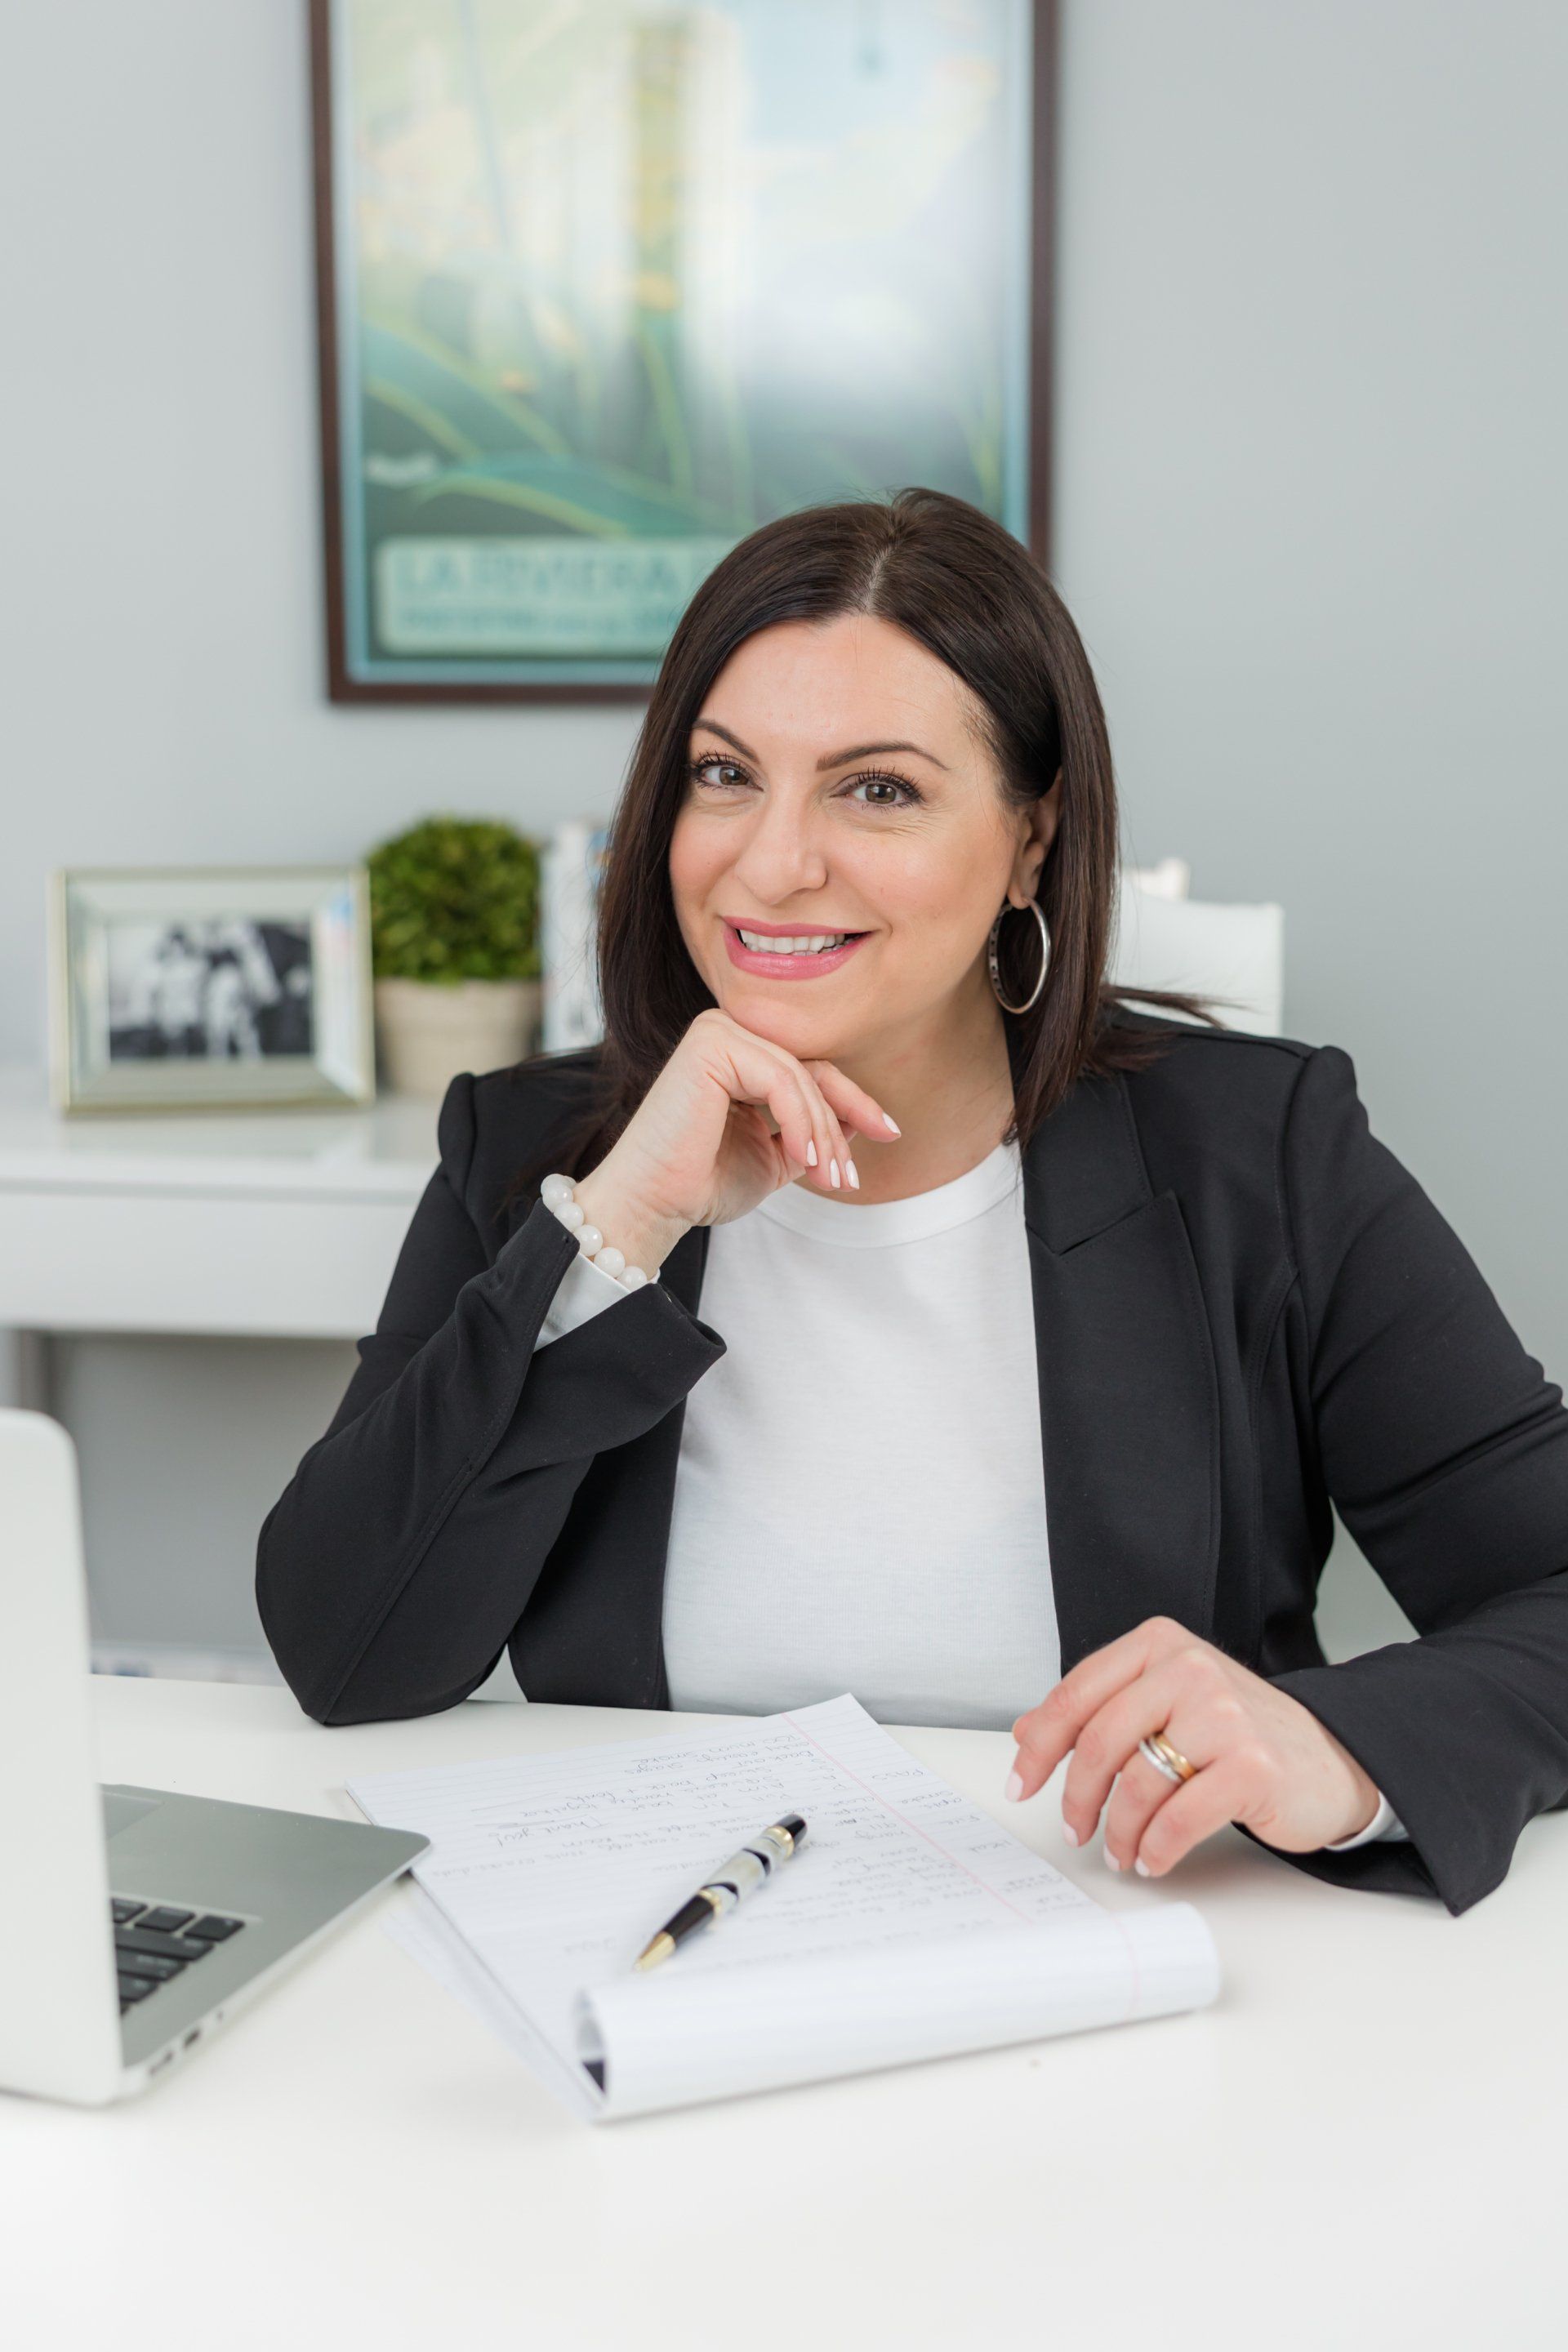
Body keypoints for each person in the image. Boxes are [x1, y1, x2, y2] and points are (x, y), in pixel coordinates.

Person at [257, 488, 1568, 1918]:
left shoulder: (1261, 1151)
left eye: (877, 789)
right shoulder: (538, 1157)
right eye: (723, 774)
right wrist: (615, 1231)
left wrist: (1333, 1746)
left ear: (1027, 840)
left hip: (1133, 1976)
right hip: (658, 1966)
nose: (771, 862)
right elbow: (348, 1650)